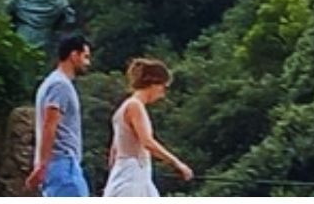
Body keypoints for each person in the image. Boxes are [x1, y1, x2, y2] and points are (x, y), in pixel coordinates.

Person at [102, 58, 193, 197]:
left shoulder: (122, 109)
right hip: (133, 176)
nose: (163, 94)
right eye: (164, 87)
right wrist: (177, 163)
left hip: (129, 173)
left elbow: (114, 152)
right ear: (154, 84)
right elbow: (147, 142)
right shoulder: (135, 106)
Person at [26, 34, 92, 196]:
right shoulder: (60, 85)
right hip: (63, 164)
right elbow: (50, 124)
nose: (88, 63)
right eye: (86, 57)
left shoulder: (53, 82)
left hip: (60, 165)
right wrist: (42, 165)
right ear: (73, 55)